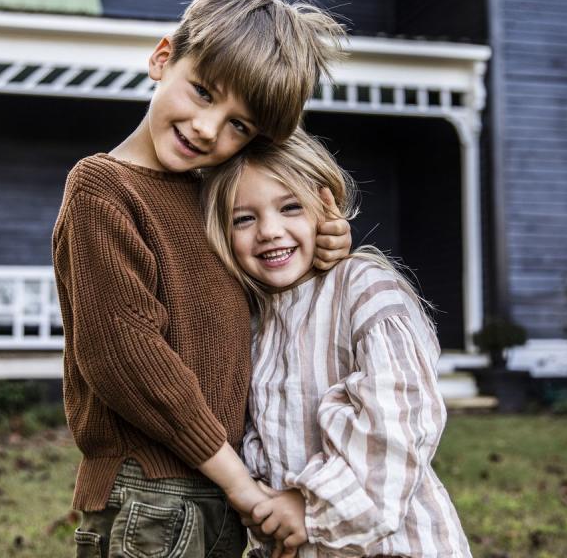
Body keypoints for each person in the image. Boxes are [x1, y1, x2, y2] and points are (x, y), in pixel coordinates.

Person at [51, 0, 348, 558]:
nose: (208, 128)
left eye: (240, 125)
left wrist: (321, 249)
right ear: (164, 58)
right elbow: (125, 359)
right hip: (151, 495)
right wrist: (240, 483)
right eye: (204, 92)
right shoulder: (103, 191)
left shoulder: (212, 198)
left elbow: (253, 301)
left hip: (207, 492)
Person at [200, 128, 473, 558]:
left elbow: (397, 428)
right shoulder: (253, 323)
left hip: (389, 545)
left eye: (290, 207)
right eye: (243, 218)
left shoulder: (363, 289)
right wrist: (262, 499)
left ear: (324, 209)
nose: (269, 231)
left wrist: (308, 504)